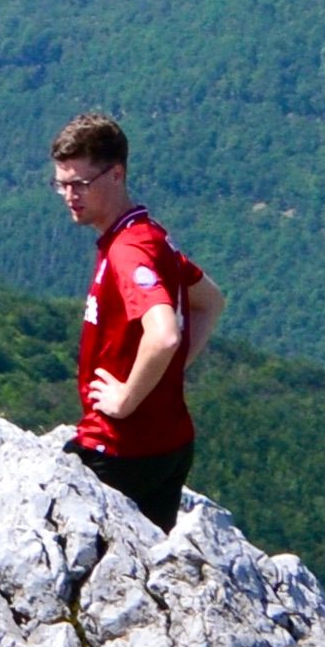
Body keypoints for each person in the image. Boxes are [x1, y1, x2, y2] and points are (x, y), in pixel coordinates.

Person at [52, 111, 220, 531]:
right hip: (170, 443)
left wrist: (128, 396)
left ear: (116, 175)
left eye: (81, 184)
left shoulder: (129, 252)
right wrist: (164, 375)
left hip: (119, 449)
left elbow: (164, 335)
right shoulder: (150, 237)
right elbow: (209, 303)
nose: (70, 195)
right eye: (62, 183)